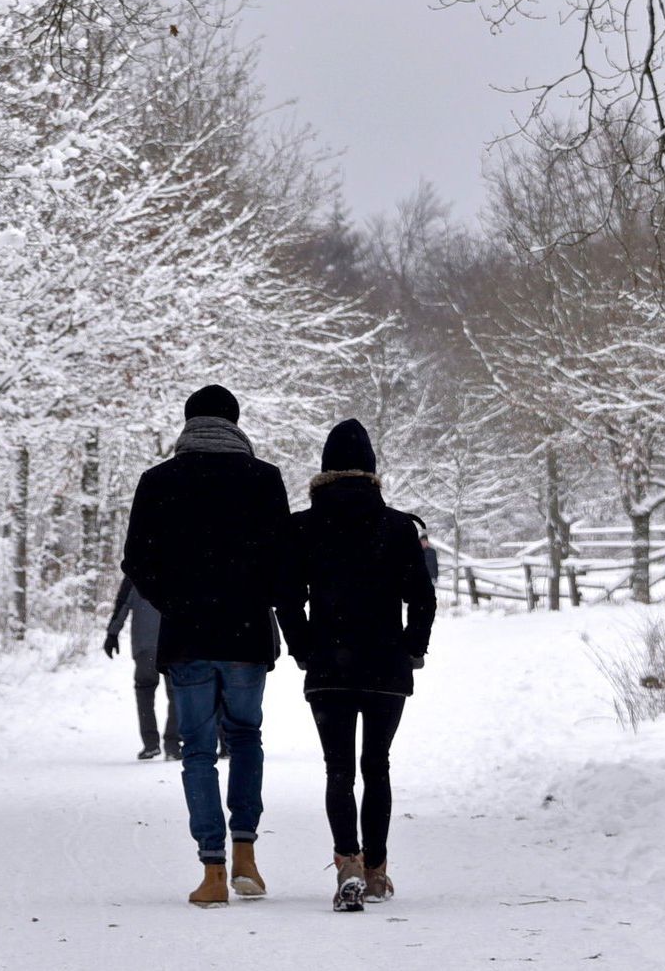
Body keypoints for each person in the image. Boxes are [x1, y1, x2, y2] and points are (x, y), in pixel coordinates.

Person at [119, 384, 294, 908]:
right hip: (244, 634)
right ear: (235, 423)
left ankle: (212, 872)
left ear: (188, 423)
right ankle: (247, 855)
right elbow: (284, 560)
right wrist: (259, 600)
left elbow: (135, 560)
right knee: (245, 737)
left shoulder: (158, 481)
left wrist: (175, 601)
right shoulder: (264, 480)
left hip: (188, 634)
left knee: (197, 751)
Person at [279, 418, 436, 913]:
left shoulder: (302, 526)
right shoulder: (397, 527)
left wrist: (304, 647)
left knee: (338, 769)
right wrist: (412, 647)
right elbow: (424, 599)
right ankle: (376, 872)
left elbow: (286, 597)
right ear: (371, 470)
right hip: (386, 667)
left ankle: (347, 860)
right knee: (378, 767)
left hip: (328, 667)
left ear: (325, 470)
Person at [103, 574, 179, 760]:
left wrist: (112, 634)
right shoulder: (180, 568)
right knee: (177, 694)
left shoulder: (136, 573)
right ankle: (172, 744)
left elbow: (122, 605)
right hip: (174, 646)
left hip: (146, 648)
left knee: (145, 691)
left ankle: (150, 743)